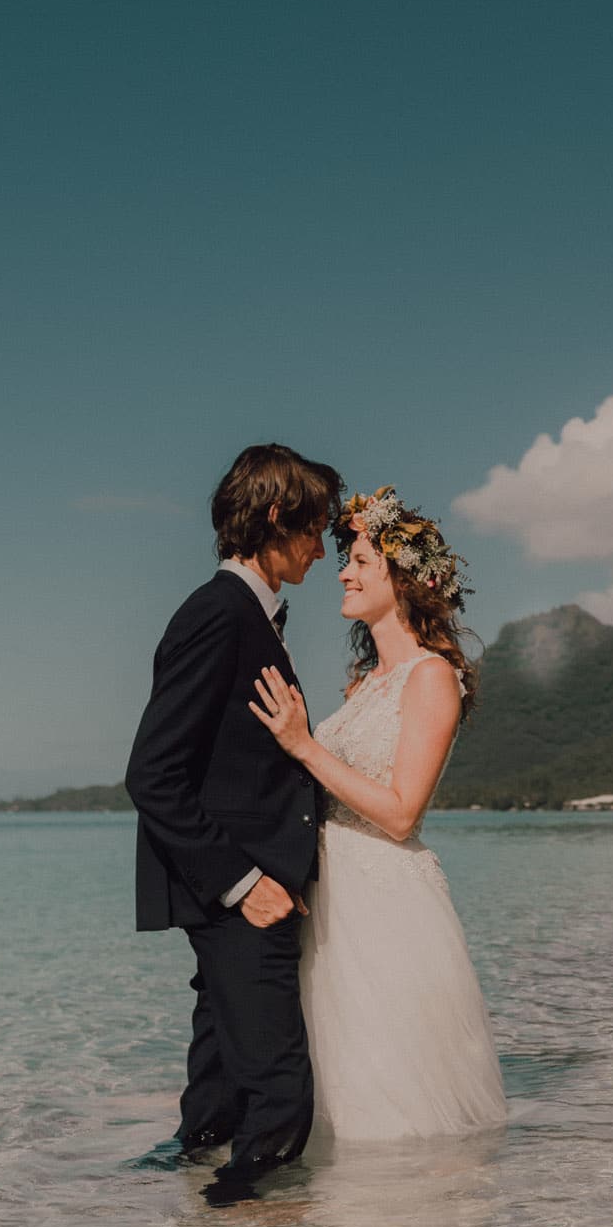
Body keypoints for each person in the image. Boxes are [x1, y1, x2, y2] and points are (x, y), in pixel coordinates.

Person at [247, 486, 508, 1140]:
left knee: (389, 1108)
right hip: (333, 900)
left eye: (360, 560)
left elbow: (401, 814)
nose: (343, 572)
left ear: (403, 576)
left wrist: (304, 744)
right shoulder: (363, 685)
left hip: (386, 911)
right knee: (331, 1092)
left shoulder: (432, 677)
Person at [125, 443, 342, 1206]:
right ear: (277, 514)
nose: (324, 546)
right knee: (279, 1099)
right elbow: (151, 772)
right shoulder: (220, 613)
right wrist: (246, 883)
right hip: (237, 892)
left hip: (247, 886)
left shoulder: (246, 613)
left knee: (215, 1105)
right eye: (316, 527)